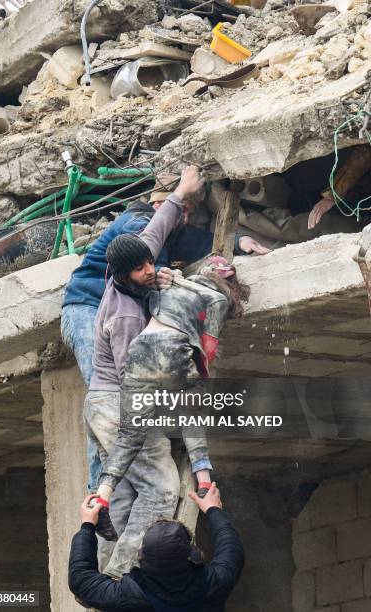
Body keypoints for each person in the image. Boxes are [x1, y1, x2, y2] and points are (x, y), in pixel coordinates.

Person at [61, 173, 267, 492]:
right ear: (161, 206)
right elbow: (145, 248)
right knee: (107, 398)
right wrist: (166, 275)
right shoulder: (135, 223)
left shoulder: (170, 232)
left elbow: (194, 240)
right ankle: (96, 488)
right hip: (87, 307)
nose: (184, 220)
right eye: (181, 212)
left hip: (123, 317)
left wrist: (239, 242)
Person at [84, 165, 206, 577]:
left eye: (149, 264)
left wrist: (181, 191)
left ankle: (102, 573)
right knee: (161, 488)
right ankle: (121, 575)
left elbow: (157, 227)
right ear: (121, 277)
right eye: (140, 271)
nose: (150, 271)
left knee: (123, 493)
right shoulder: (125, 320)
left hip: (106, 405)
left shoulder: (137, 260)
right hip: (117, 403)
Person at [87, 256, 249, 553]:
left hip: (138, 356)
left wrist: (175, 278)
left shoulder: (163, 287)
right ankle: (201, 482)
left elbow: (148, 289)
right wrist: (204, 362)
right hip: (170, 353)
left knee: (128, 442)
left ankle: (103, 496)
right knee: (165, 480)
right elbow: (212, 324)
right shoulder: (212, 298)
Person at [69, 483, 245, 612]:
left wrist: (87, 525)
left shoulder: (130, 596)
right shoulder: (216, 583)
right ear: (194, 554)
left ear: (140, 558)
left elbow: (80, 580)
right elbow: (230, 545)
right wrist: (213, 509)